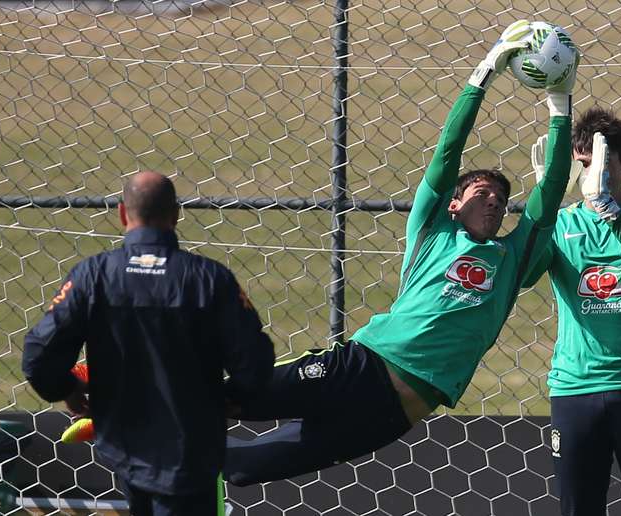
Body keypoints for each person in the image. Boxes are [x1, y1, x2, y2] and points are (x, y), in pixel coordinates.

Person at [224, 20, 580, 486]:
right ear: (452, 204)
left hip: (394, 414)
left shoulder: (512, 259)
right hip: (362, 368)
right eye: (481, 190)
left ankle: (148, 441)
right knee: (234, 399)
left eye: (501, 196)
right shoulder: (433, 229)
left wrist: (560, 104)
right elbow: (449, 149)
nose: (493, 198)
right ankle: (117, 397)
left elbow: (551, 191)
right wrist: (484, 73)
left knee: (247, 467)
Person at [22, 171, 275, 516]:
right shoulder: (209, 279)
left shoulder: (93, 276)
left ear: (123, 213)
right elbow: (255, 360)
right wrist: (231, 400)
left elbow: (39, 356)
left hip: (125, 448)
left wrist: (67, 387)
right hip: (192, 449)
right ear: (176, 215)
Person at [522, 106, 621, 516]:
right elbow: (523, 276)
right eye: (583, 166)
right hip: (575, 390)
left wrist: (612, 215)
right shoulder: (559, 224)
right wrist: (542, 205)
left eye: (601, 164)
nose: (591, 176)